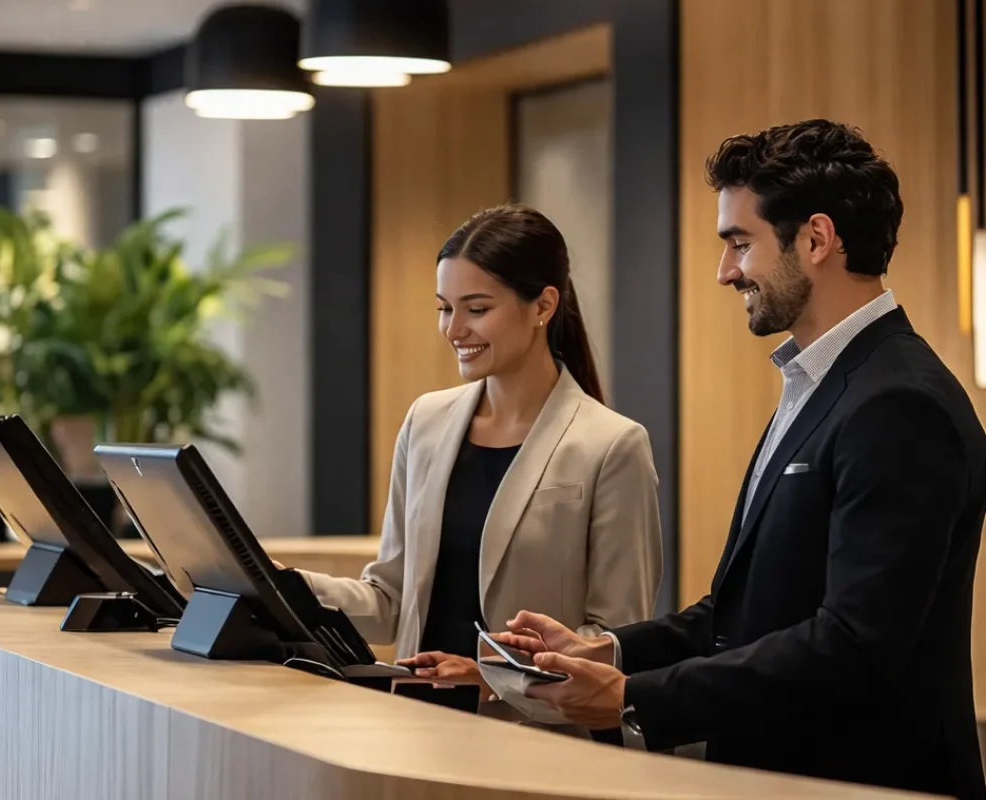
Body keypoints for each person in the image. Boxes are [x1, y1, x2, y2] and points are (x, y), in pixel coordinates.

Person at [494, 120, 986, 799]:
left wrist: (631, 697)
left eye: (740, 243)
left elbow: (854, 645)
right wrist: (607, 651)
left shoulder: (900, 403)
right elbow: (746, 614)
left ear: (816, 239)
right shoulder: (822, 384)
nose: (725, 271)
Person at [291, 203, 663, 715]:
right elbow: (389, 602)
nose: (453, 329)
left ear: (543, 305)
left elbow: (613, 641)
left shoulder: (613, 445)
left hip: (535, 741)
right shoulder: (425, 422)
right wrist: (282, 583)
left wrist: (491, 678)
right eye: (444, 308)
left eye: (477, 309)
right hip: (417, 724)